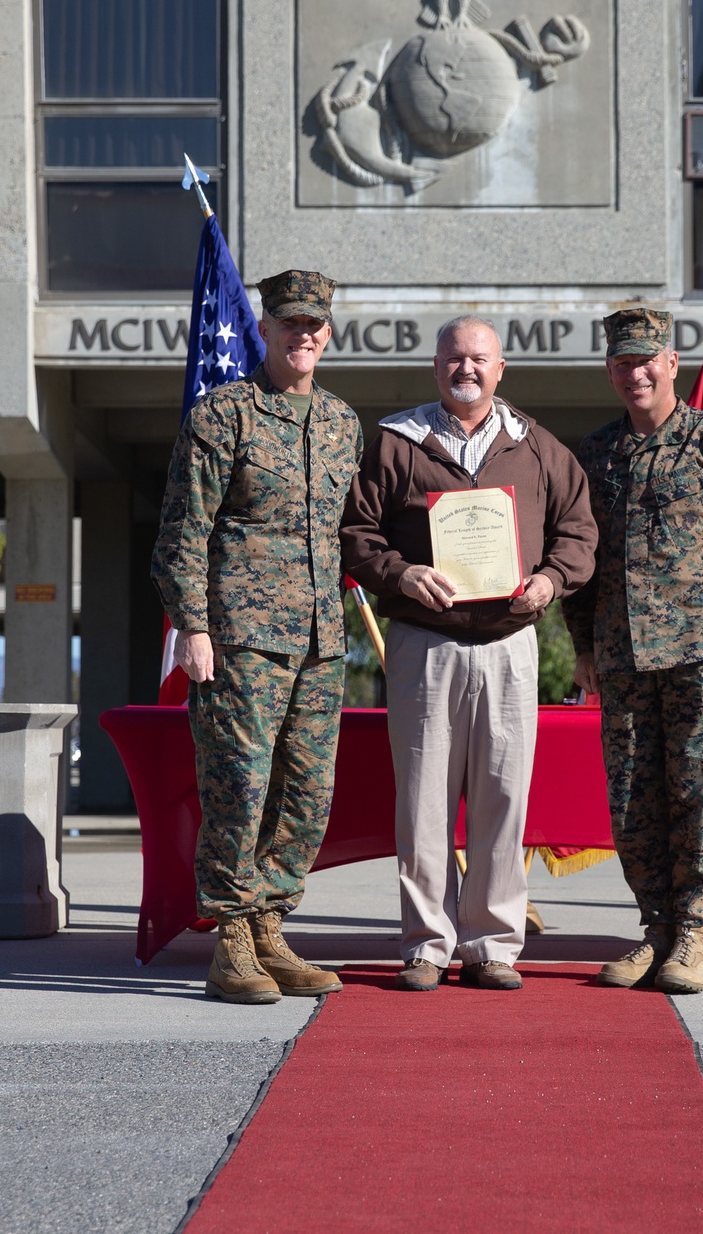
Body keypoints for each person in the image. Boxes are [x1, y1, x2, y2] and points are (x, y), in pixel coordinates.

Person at [340, 316, 597, 991]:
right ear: (436, 367)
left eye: (479, 360)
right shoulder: (397, 444)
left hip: (510, 643)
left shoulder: (537, 446)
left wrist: (550, 579)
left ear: (500, 368)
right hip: (426, 644)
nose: (467, 370)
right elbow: (356, 533)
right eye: (455, 359)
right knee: (423, 803)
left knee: (503, 798)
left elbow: (578, 529)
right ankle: (427, 943)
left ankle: (492, 945)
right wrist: (401, 574)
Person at [151, 270, 362, 1005]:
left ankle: (271, 923)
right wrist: (194, 626)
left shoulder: (341, 422)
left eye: (315, 325)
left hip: (319, 642)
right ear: (265, 330)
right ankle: (233, 939)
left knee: (307, 793)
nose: (302, 335)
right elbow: (183, 531)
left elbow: (349, 534)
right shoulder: (223, 414)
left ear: (328, 334)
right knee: (238, 788)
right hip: (239, 639)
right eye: (289, 324)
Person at [564, 307, 703, 994]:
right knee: (631, 802)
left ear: (671, 363)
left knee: (697, 795)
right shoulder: (596, 454)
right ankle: (654, 931)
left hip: (700, 655)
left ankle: (693, 935)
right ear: (610, 370)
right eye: (623, 363)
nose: (635, 373)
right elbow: (582, 559)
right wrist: (582, 649)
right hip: (622, 659)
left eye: (646, 361)